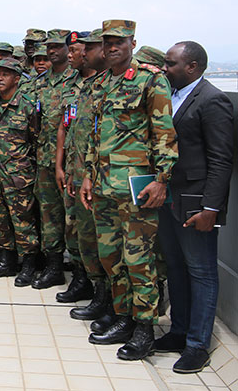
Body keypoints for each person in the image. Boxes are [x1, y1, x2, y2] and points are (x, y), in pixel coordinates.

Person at [81, 19, 178, 360]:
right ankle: (123, 317)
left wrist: (161, 179)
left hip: (138, 187)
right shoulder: (103, 82)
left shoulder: (151, 79)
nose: (111, 47)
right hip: (105, 185)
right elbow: (95, 135)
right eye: (107, 42)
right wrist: (90, 176)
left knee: (139, 260)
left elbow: (164, 133)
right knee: (111, 257)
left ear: (132, 43)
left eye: (118, 42)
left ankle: (144, 329)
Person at [155, 41, 233, 373]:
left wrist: (211, 209)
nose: (164, 69)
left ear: (193, 66)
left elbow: (221, 159)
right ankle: (179, 330)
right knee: (176, 267)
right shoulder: (171, 97)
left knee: (201, 272)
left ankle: (198, 345)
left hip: (196, 204)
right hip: (169, 199)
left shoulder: (212, 100)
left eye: (170, 64)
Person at [62, 29, 114, 322]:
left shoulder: (110, 87)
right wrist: (67, 168)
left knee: (106, 243)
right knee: (84, 238)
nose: (74, 55)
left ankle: (110, 303)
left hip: (106, 178)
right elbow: (68, 130)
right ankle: (96, 292)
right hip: (79, 173)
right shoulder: (82, 87)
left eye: (78, 50)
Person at [0, 57, 40, 284]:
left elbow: (35, 139)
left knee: (22, 220)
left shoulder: (27, 106)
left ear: (17, 78)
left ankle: (28, 265)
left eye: (5, 74)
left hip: (18, 176)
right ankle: (6, 261)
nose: (0, 78)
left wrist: (24, 166)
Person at [32, 29, 77, 290]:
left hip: (71, 163)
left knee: (73, 220)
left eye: (57, 46)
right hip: (44, 158)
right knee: (49, 216)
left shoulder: (79, 80)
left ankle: (81, 274)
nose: (52, 50)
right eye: (49, 46)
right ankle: (54, 267)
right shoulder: (40, 82)